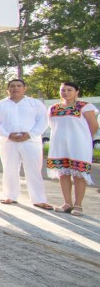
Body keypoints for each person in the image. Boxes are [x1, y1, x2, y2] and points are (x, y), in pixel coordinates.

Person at [0, 79, 52, 209]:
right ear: (7, 89)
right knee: (9, 169)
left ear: (25, 88)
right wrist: (7, 134)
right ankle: (10, 196)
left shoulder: (35, 103)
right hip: (8, 141)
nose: (16, 88)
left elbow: (43, 121)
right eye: (12, 86)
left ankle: (39, 199)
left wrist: (30, 134)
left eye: (19, 86)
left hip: (30, 141)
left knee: (34, 170)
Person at [47, 82, 99, 217]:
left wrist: (84, 139)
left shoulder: (84, 106)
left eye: (69, 90)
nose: (66, 92)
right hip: (59, 145)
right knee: (63, 173)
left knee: (78, 174)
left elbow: (93, 126)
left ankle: (78, 205)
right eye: (63, 90)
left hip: (79, 145)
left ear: (76, 92)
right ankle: (67, 203)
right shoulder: (53, 108)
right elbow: (53, 126)